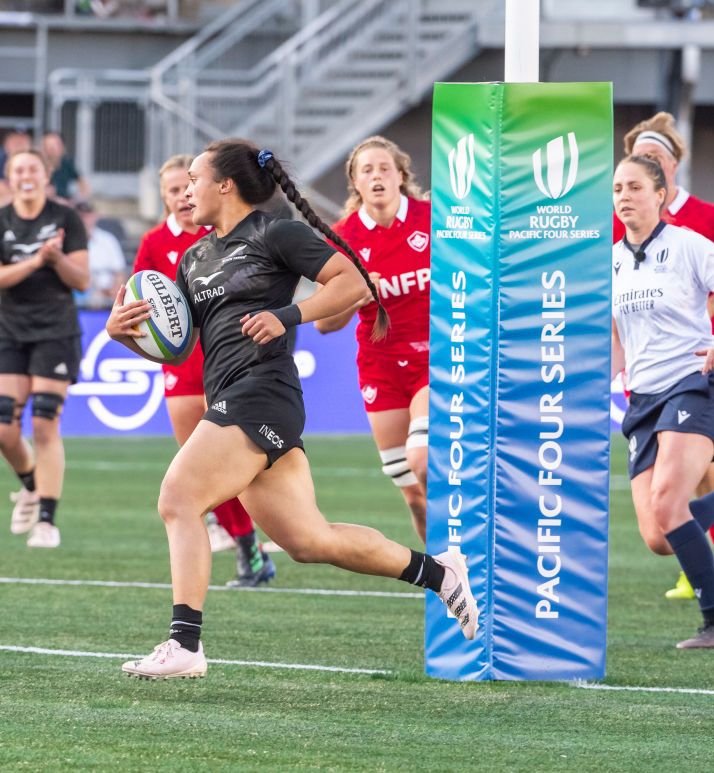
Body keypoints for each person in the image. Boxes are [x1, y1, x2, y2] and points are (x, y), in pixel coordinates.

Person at [106, 139, 478, 679]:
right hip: (236, 396)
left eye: (193, 179)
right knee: (308, 541)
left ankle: (184, 644)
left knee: (178, 497)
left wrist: (288, 316)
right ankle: (441, 573)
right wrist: (125, 335)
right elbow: (182, 345)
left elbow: (352, 282)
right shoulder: (193, 257)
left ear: (225, 185)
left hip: (263, 392)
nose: (185, 191)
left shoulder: (272, 230)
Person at [611, 155, 714, 649]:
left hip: (693, 383)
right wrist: (610, 373)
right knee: (660, 538)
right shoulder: (612, 260)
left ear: (660, 195)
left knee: (668, 503)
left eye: (635, 186)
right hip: (643, 400)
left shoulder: (689, 245)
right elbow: (617, 334)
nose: (624, 196)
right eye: (618, 187)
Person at [132, 153, 275, 587]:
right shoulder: (155, 241)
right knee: (194, 468)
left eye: (186, 186)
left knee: (227, 464)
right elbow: (139, 300)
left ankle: (252, 543)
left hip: (223, 360)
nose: (181, 196)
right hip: (180, 363)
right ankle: (247, 543)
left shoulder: (225, 237)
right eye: (172, 190)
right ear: (163, 198)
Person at [315, 136, 431, 542]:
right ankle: (446, 579)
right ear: (356, 184)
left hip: (435, 361)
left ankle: (471, 553)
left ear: (401, 176)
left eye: (384, 168)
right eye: (367, 170)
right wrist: (359, 294)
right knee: (415, 496)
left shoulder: (436, 220)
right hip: (380, 367)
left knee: (425, 461)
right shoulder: (341, 239)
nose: (377, 176)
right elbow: (325, 324)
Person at [0, 148, 89, 549]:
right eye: (18, 169)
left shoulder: (66, 218)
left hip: (56, 330)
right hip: (11, 331)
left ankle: (47, 520)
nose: (26, 175)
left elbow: (81, 281)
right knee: (2, 429)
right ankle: (29, 485)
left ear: (46, 176)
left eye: (33, 169)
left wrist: (56, 259)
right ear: (9, 177)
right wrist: (34, 261)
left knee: (44, 424)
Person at [75, 198, 127, 308]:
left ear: (94, 216)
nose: (84, 219)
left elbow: (120, 272)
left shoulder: (108, 240)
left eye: (87, 214)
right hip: (82, 294)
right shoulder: (69, 240)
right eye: (81, 215)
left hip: (108, 295)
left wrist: (115, 293)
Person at [0, 129, 32, 204]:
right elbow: (0, 191)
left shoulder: (34, 161)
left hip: (23, 198)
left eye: (23, 141)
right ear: (7, 143)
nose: (19, 145)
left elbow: (46, 189)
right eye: (16, 141)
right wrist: (29, 189)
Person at [42, 132, 89, 203]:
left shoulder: (67, 163)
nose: (51, 149)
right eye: (47, 145)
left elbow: (82, 182)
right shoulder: (37, 165)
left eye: (55, 145)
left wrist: (79, 200)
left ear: (62, 147)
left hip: (64, 203)